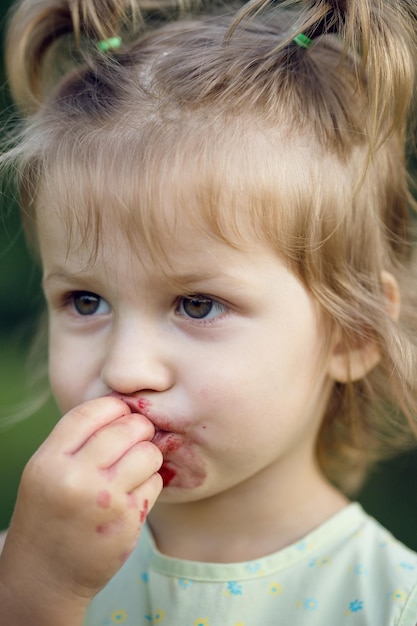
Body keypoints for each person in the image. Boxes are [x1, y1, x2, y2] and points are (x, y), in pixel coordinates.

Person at [0, 0, 417, 623]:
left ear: (350, 334)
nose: (126, 368)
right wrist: (39, 593)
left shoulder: (391, 601)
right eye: (86, 301)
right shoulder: (24, 570)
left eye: (198, 304)